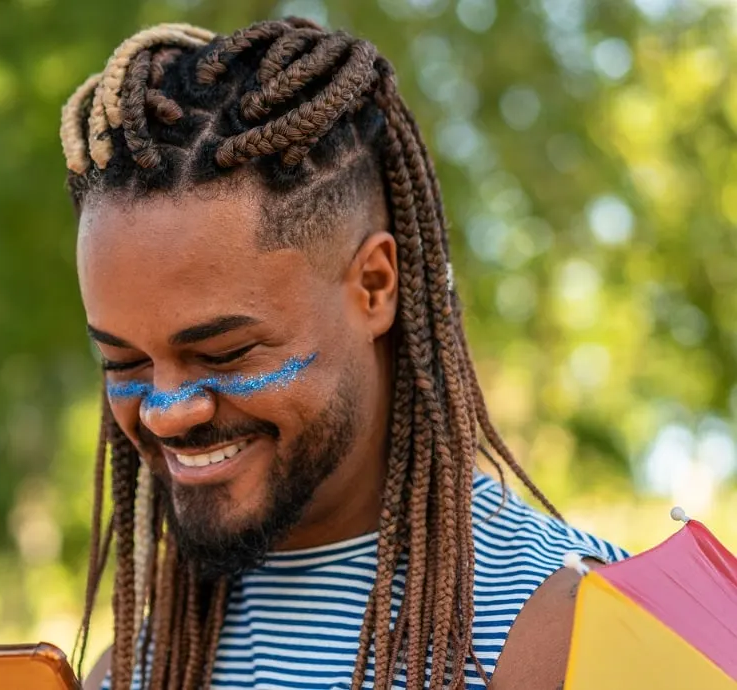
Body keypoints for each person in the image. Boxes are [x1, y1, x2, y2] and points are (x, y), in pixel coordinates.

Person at [61, 18, 628, 690]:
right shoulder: (138, 669)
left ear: (374, 286)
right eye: (124, 363)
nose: (166, 412)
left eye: (224, 351)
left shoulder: (578, 628)